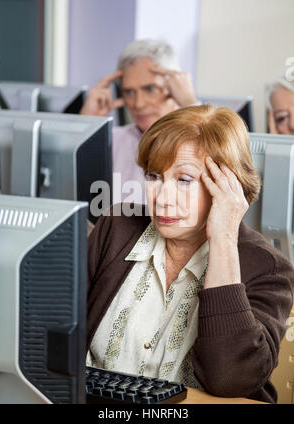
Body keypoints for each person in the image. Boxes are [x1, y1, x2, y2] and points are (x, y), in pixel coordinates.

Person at [87, 105, 294, 403]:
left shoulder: (267, 267)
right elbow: (54, 329)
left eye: (184, 180)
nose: (163, 199)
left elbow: (231, 380)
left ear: (228, 185)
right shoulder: (116, 226)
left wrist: (223, 238)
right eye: (154, 176)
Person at [80, 39, 199, 202]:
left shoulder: (196, 142)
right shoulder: (113, 140)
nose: (138, 103)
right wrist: (88, 122)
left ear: (174, 87)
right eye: (129, 92)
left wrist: (191, 104)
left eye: (150, 89)